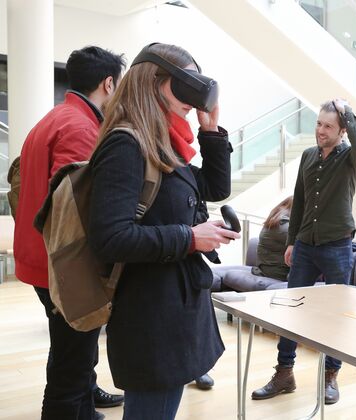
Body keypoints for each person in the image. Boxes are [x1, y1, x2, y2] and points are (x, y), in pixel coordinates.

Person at [87, 43, 239, 419]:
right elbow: (109, 238)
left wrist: (210, 132)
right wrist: (190, 237)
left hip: (173, 308)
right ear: (152, 82)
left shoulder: (165, 143)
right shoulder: (127, 143)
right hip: (150, 314)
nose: (194, 99)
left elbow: (214, 189)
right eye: (186, 87)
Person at [13, 46, 126, 419]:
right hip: (62, 264)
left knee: (72, 346)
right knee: (70, 360)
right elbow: (75, 209)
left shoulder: (55, 117)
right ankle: (68, 408)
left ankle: (85, 405)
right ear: (109, 84)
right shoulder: (80, 128)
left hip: (38, 257)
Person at [252, 99, 356, 405]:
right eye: (318, 124)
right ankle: (284, 373)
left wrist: (348, 112)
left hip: (337, 246)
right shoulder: (306, 156)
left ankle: (331, 375)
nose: (321, 131)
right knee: (291, 309)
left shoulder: (350, 157)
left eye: (329, 126)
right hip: (304, 245)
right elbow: (299, 201)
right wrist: (291, 241)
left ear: (342, 130)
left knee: (335, 315)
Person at [252, 196, 294, 281]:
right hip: (276, 273)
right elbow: (305, 241)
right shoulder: (282, 224)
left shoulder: (275, 221)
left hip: (267, 269)